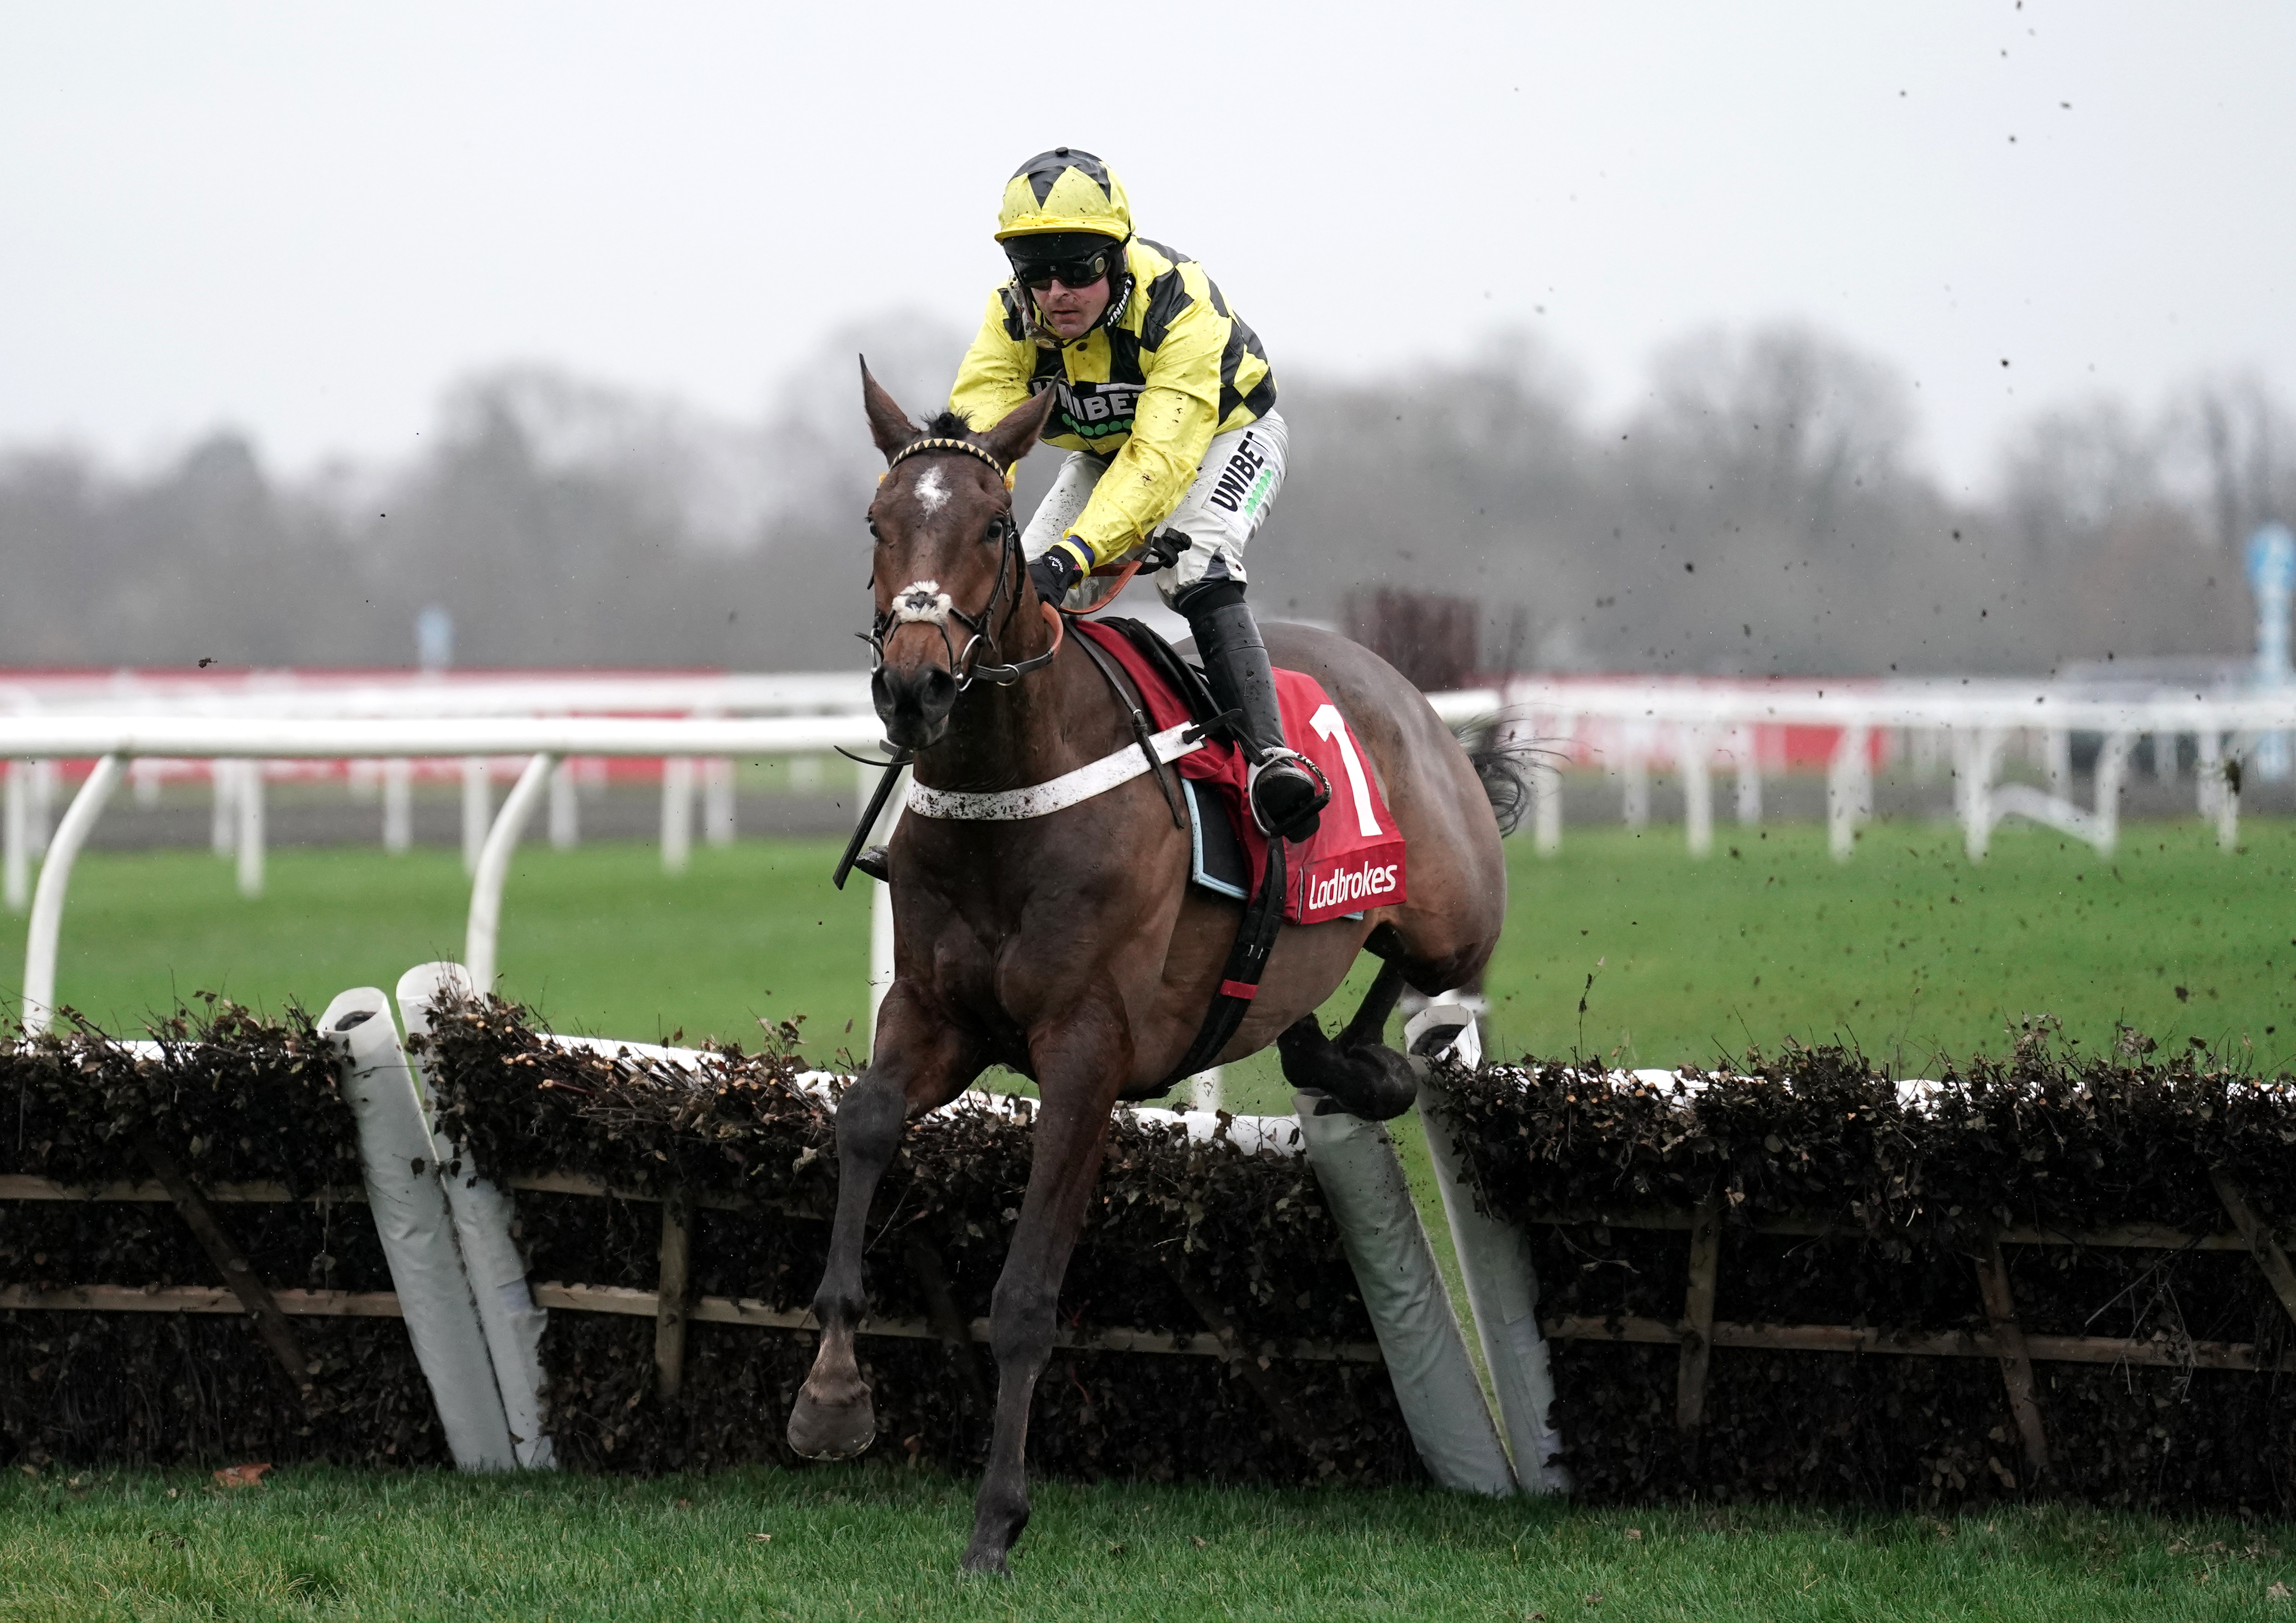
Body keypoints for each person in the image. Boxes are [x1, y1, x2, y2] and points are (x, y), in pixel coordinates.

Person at [948, 147, 1329, 843]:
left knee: (1198, 567)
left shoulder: (1180, 301)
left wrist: (1074, 557)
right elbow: (981, 446)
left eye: (1080, 268)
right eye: (1037, 272)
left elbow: (1161, 460)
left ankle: (1272, 758)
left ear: (1118, 258)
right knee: (1005, 598)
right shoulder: (1010, 319)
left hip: (1221, 437)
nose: (1057, 291)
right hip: (1108, 455)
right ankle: (968, 798)